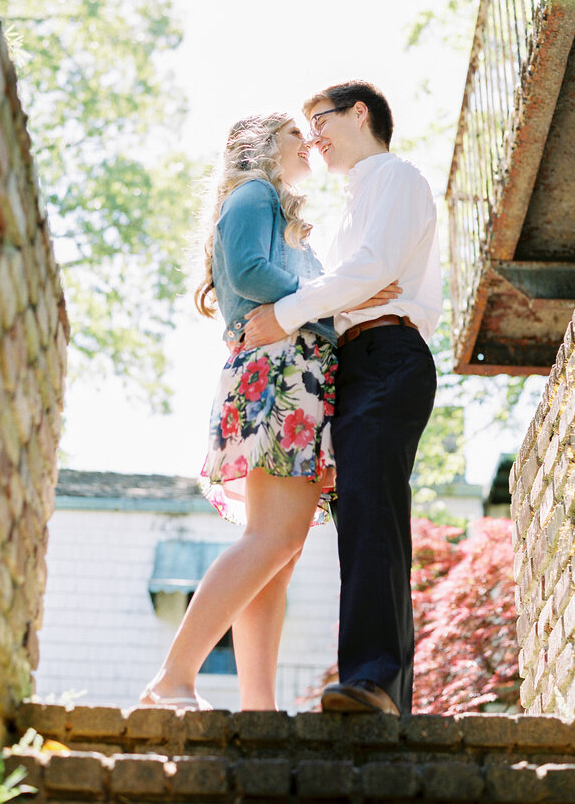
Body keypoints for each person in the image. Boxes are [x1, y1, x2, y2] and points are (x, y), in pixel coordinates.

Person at [139, 112, 398, 712]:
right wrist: (336, 306)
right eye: (292, 134)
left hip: (292, 379)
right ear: (259, 147)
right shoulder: (254, 193)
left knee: (278, 554)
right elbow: (251, 273)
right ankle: (173, 678)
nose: (306, 143)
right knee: (272, 539)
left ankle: (258, 707)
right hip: (279, 377)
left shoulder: (283, 217)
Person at [244, 81, 441, 716]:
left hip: (389, 356)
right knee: (362, 519)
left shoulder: (396, 176)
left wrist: (288, 312)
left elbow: (373, 267)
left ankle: (374, 680)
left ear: (361, 113)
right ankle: (383, 691)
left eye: (319, 119)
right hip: (356, 364)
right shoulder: (354, 203)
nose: (313, 137)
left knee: (374, 517)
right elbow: (356, 282)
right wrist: (347, 292)